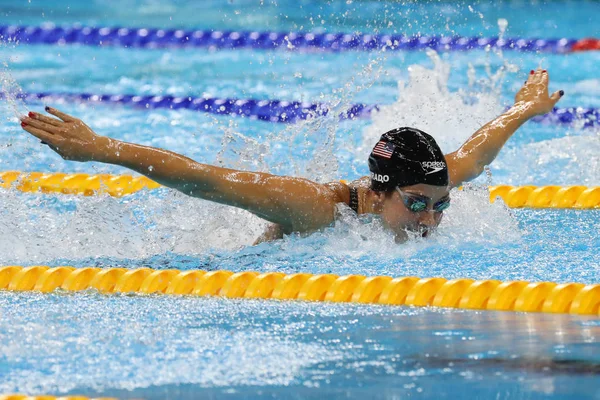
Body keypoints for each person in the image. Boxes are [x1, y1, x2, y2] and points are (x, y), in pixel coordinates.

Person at [19, 69, 563, 244]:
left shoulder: (429, 182)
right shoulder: (319, 209)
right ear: (377, 191)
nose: (431, 221)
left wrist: (522, 110)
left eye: (440, 206)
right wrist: (101, 149)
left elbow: (474, 155)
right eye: (419, 206)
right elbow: (205, 179)